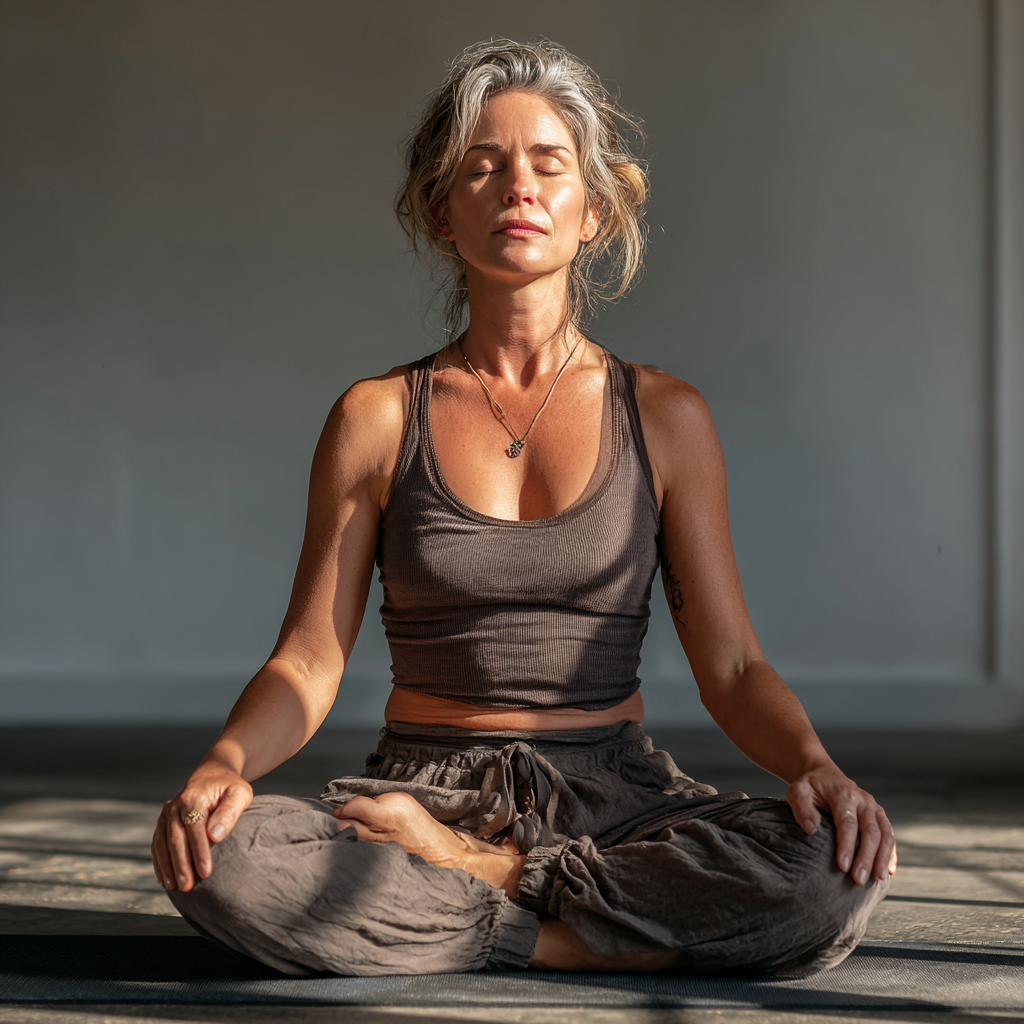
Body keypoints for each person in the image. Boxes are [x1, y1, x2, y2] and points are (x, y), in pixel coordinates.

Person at [152, 38, 895, 977]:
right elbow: (308, 659)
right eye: (483, 166)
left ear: (594, 211)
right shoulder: (377, 418)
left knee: (831, 867)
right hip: (423, 794)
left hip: (618, 799)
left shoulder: (666, 417)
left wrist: (815, 768)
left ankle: (487, 901)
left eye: (550, 165)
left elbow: (735, 664)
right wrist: (224, 765)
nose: (519, 187)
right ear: (439, 210)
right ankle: (599, 936)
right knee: (222, 859)